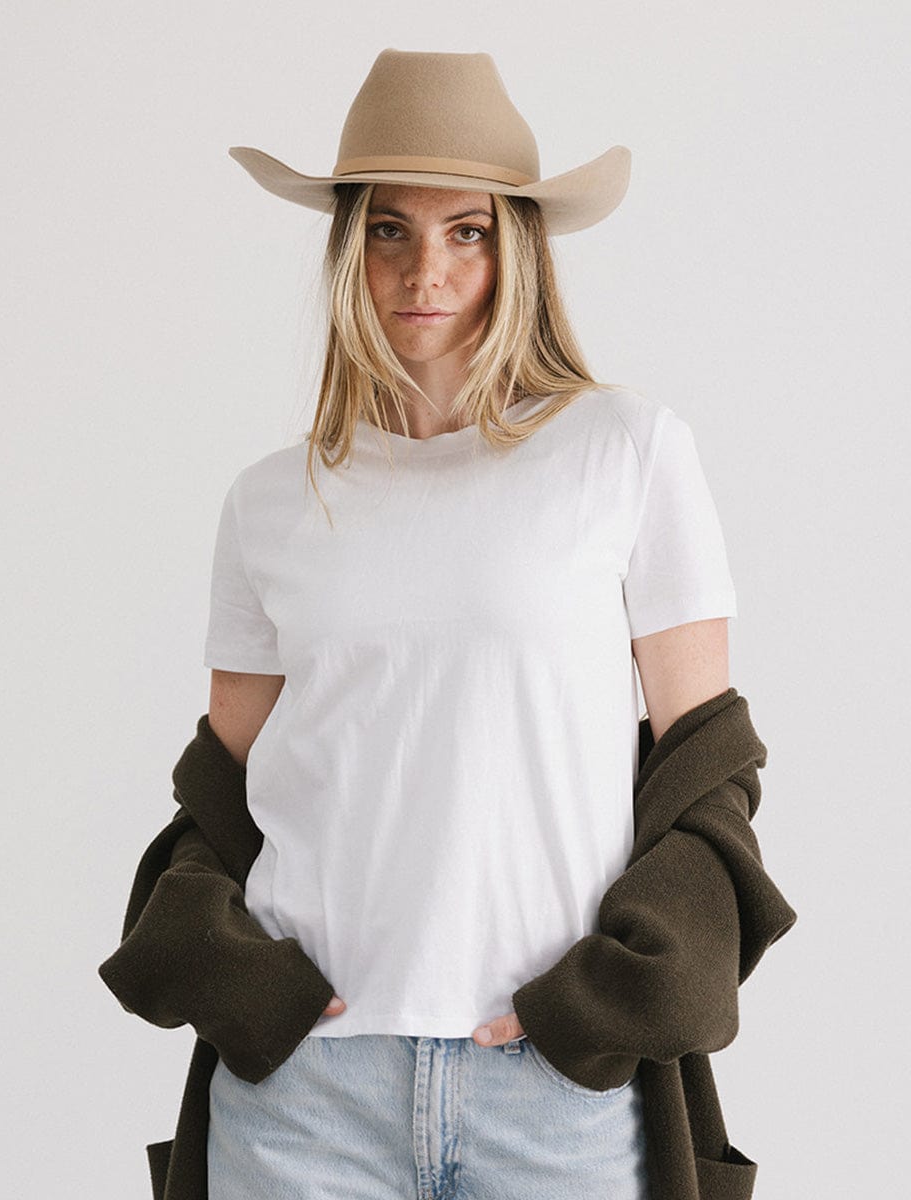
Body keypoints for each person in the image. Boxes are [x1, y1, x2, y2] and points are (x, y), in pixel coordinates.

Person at [102, 48, 796, 1200]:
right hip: (306, 1093)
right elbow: (221, 797)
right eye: (388, 230)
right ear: (347, 249)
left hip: (555, 1086)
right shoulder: (272, 500)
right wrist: (243, 985)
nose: (426, 268)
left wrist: (601, 1004)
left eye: (466, 231)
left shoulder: (624, 453)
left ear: (515, 246)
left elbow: (705, 769)